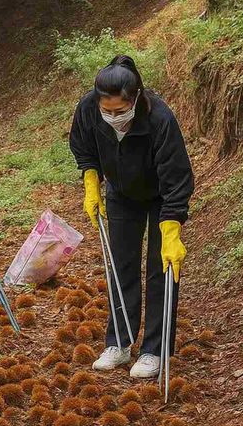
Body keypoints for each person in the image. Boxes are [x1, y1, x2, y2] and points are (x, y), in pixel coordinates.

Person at [69, 55, 194, 379]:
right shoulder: (88, 108)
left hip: (161, 197)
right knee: (121, 265)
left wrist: (172, 232)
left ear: (135, 99)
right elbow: (83, 147)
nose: (113, 117)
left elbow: (177, 178)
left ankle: (154, 350)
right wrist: (91, 182)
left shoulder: (160, 118)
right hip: (121, 193)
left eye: (120, 110)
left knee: (160, 268)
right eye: (107, 111)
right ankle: (119, 343)